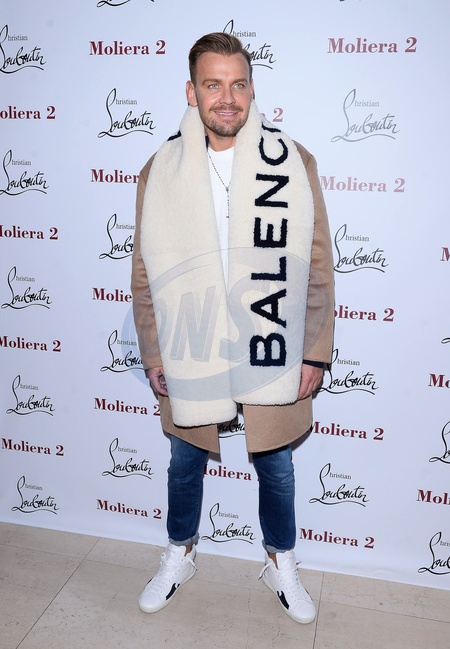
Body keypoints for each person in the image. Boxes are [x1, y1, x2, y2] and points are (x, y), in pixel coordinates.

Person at [131, 32, 334, 625]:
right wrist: (153, 352)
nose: (227, 98)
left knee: (276, 464)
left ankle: (281, 564)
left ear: (251, 89)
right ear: (191, 92)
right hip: (191, 339)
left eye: (238, 84)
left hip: (270, 334)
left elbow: (317, 265)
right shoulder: (160, 170)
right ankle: (180, 555)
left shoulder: (291, 161)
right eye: (213, 84)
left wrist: (314, 352)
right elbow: (143, 272)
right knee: (184, 460)